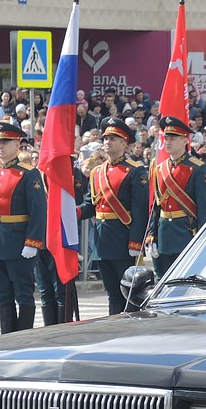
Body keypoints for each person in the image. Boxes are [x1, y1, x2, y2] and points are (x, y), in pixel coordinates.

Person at [78, 117, 150, 315]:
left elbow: (140, 210)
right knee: (112, 294)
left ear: (124, 143)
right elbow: (90, 205)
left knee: (131, 294)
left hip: (123, 240)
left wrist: (136, 243)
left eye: (113, 138)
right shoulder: (97, 173)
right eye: (106, 137)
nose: (107, 141)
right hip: (103, 241)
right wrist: (74, 212)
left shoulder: (135, 171)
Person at [0, 121, 46, 333]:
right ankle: (6, 338)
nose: (0, 146)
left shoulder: (28, 173)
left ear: (17, 144)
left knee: (23, 294)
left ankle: (23, 337)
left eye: (5, 142)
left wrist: (33, 242)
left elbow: (38, 211)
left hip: (19, 242)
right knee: (3, 294)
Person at [145, 116, 206, 277]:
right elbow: (156, 205)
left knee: (186, 282)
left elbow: (204, 208)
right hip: (163, 234)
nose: (167, 142)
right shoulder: (159, 168)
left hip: (186, 233)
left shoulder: (197, 168)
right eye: (166, 138)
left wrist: (203, 239)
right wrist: (151, 234)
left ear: (184, 141)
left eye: (173, 138)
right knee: (162, 282)